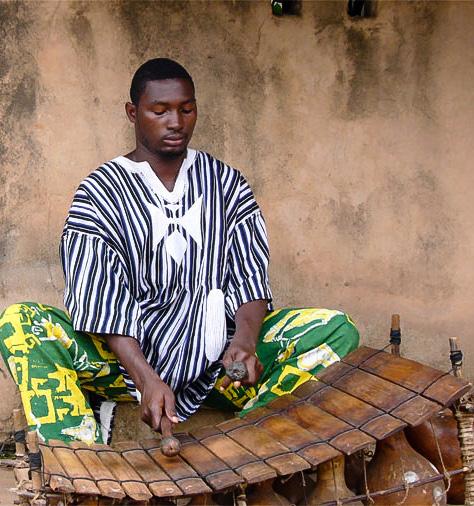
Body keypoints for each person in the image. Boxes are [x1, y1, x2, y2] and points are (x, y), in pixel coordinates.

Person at [0, 59, 359, 445]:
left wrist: (244, 343)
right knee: (21, 322)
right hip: (122, 369)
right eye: (160, 111)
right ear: (133, 113)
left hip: (219, 370)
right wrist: (146, 379)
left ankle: (245, 447)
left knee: (336, 329)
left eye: (186, 109)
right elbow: (101, 302)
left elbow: (250, 277)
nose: (176, 122)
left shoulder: (226, 184)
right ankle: (78, 459)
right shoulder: (100, 193)